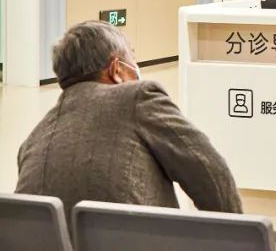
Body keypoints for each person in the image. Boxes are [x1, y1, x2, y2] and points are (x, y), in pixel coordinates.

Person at [15, 21, 243, 219]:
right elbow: (208, 171)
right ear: (116, 69)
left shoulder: (34, 139)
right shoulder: (137, 98)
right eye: (132, 58)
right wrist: (236, 237)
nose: (136, 68)